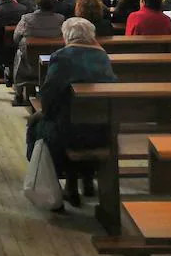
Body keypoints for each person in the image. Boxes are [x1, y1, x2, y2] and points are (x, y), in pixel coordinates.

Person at [26, 18, 117, 205]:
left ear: (66, 36)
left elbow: (49, 95)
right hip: (103, 129)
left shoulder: (62, 56)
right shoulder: (102, 55)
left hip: (69, 131)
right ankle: (86, 178)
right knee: (79, 121)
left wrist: (43, 113)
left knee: (36, 125)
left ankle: (67, 183)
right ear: (91, 36)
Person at [12, 0, 64, 103]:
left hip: (30, 63)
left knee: (19, 51)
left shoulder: (26, 19)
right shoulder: (60, 19)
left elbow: (16, 38)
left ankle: (18, 93)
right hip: (52, 62)